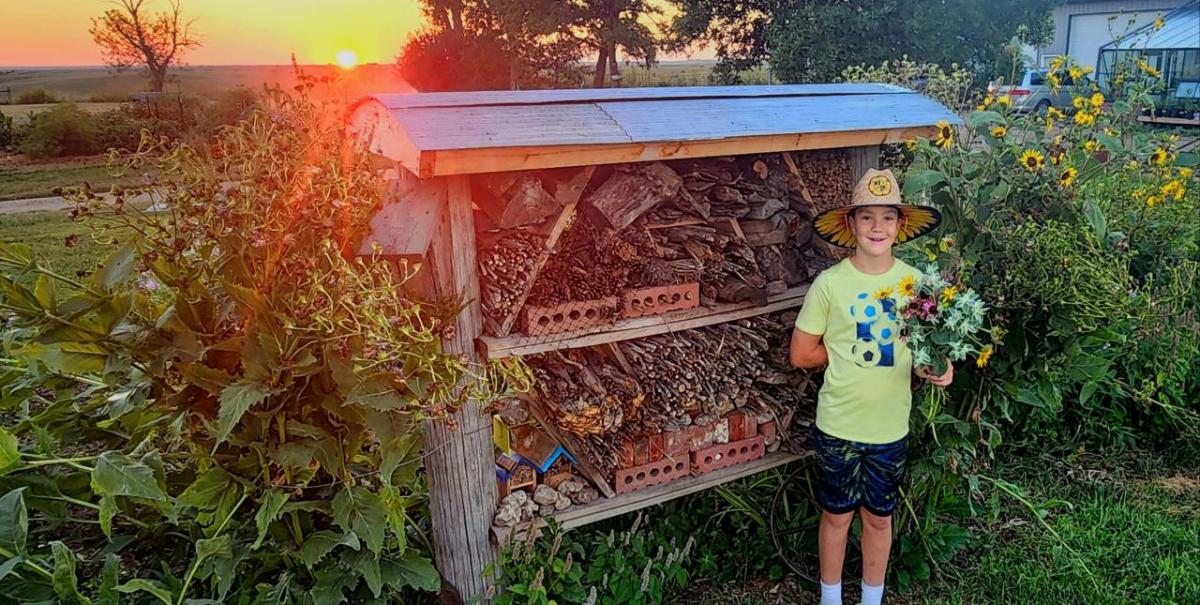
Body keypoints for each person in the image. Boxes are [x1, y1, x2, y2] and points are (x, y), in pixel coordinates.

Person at [790, 168, 953, 605]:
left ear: (901, 226)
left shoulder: (917, 284)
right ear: (851, 224)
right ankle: (830, 597)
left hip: (889, 428)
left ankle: (872, 598)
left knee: (879, 517)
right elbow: (802, 353)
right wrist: (845, 349)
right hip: (839, 425)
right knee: (836, 515)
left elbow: (926, 351)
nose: (877, 227)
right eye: (867, 217)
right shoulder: (830, 285)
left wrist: (937, 368)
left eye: (887, 217)